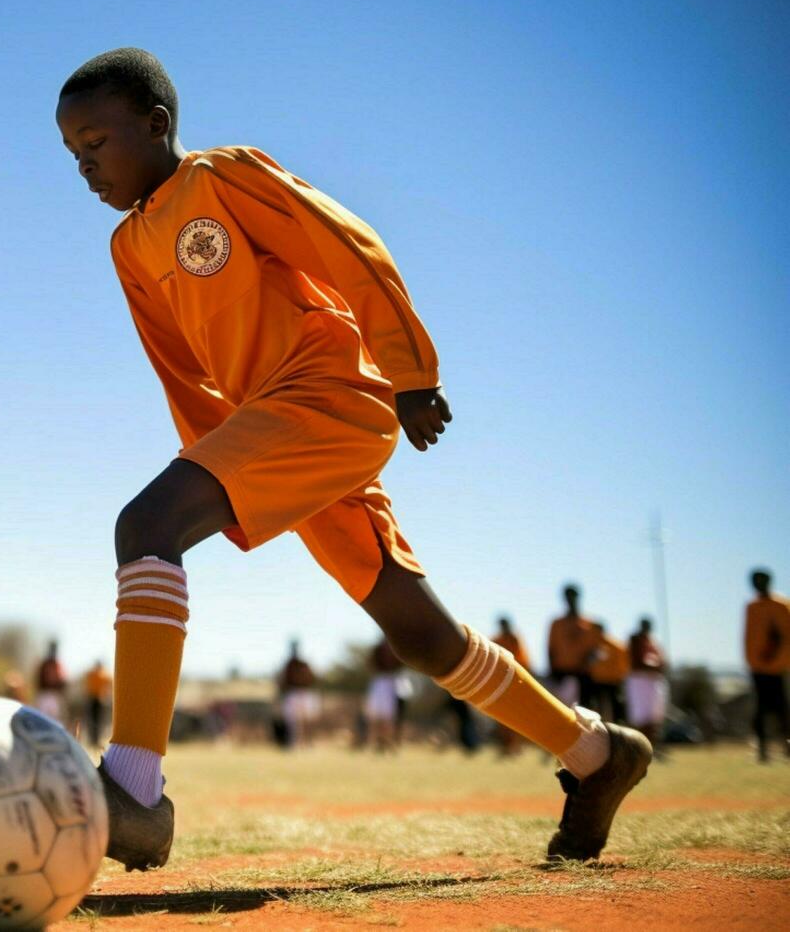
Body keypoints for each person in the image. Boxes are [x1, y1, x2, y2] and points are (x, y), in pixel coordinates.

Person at [53, 48, 651, 870]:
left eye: (97, 142)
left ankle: (134, 792)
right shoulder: (129, 248)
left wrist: (410, 372)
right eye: (73, 154)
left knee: (145, 528)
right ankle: (595, 755)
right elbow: (180, 371)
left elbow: (342, 242)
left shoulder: (219, 179)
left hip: (332, 392)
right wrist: (218, 464)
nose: (85, 166)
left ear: (155, 127)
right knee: (421, 635)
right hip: (277, 427)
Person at [744, 568, 790, 763]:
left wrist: (774, 653)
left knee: (782, 708)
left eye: (761, 580)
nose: (757, 584)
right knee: (761, 709)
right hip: (757, 667)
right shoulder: (752, 606)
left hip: (779, 667)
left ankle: (787, 745)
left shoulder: (781, 605)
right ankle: (762, 750)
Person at [548, 585, 601, 710]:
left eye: (573, 596)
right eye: (567, 596)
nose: (570, 599)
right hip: (561, 674)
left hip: (584, 675)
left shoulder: (590, 624)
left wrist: (586, 665)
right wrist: (553, 674)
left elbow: (596, 650)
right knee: (562, 708)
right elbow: (551, 649)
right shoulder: (557, 623)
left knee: (585, 710)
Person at [626, 617, 668, 749]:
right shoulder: (635, 640)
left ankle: (653, 747)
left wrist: (660, 666)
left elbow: (663, 662)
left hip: (654, 681)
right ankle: (641, 747)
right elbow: (637, 662)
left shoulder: (653, 641)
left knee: (654, 717)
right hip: (640, 681)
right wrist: (654, 667)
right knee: (641, 717)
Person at [492, 616, 531, 756]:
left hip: (514, 681)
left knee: (515, 717)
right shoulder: (495, 640)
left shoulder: (515, 639)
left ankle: (515, 746)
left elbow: (523, 660)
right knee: (501, 717)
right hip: (499, 682)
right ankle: (505, 746)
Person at [276, 640, 318, 748]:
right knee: (293, 721)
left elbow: (311, 678)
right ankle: (295, 743)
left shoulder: (303, 664)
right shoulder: (288, 665)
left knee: (307, 720)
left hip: (304, 693)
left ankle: (308, 743)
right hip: (293, 693)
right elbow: (282, 682)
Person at [364, 639, 404, 753]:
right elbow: (370, 664)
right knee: (375, 717)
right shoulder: (377, 649)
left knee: (388, 718)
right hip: (379, 681)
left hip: (390, 681)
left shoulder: (395, 647)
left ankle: (388, 744)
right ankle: (376, 744)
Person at [587, 622, 630, 724]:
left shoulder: (612, 644)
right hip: (598, 680)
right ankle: (600, 724)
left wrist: (621, 675)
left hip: (612, 680)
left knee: (615, 705)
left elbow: (624, 661)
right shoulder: (594, 644)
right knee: (599, 705)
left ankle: (618, 725)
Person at [34, 640, 68, 723]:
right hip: (44, 694)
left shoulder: (58, 664)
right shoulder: (44, 664)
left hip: (55, 695)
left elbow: (62, 680)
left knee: (55, 720)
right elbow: (39, 678)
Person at [84, 660, 114, 746]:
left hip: (100, 700)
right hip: (93, 699)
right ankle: (93, 739)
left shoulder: (101, 675)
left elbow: (108, 686)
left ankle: (96, 739)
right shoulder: (96, 674)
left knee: (99, 721)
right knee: (93, 720)